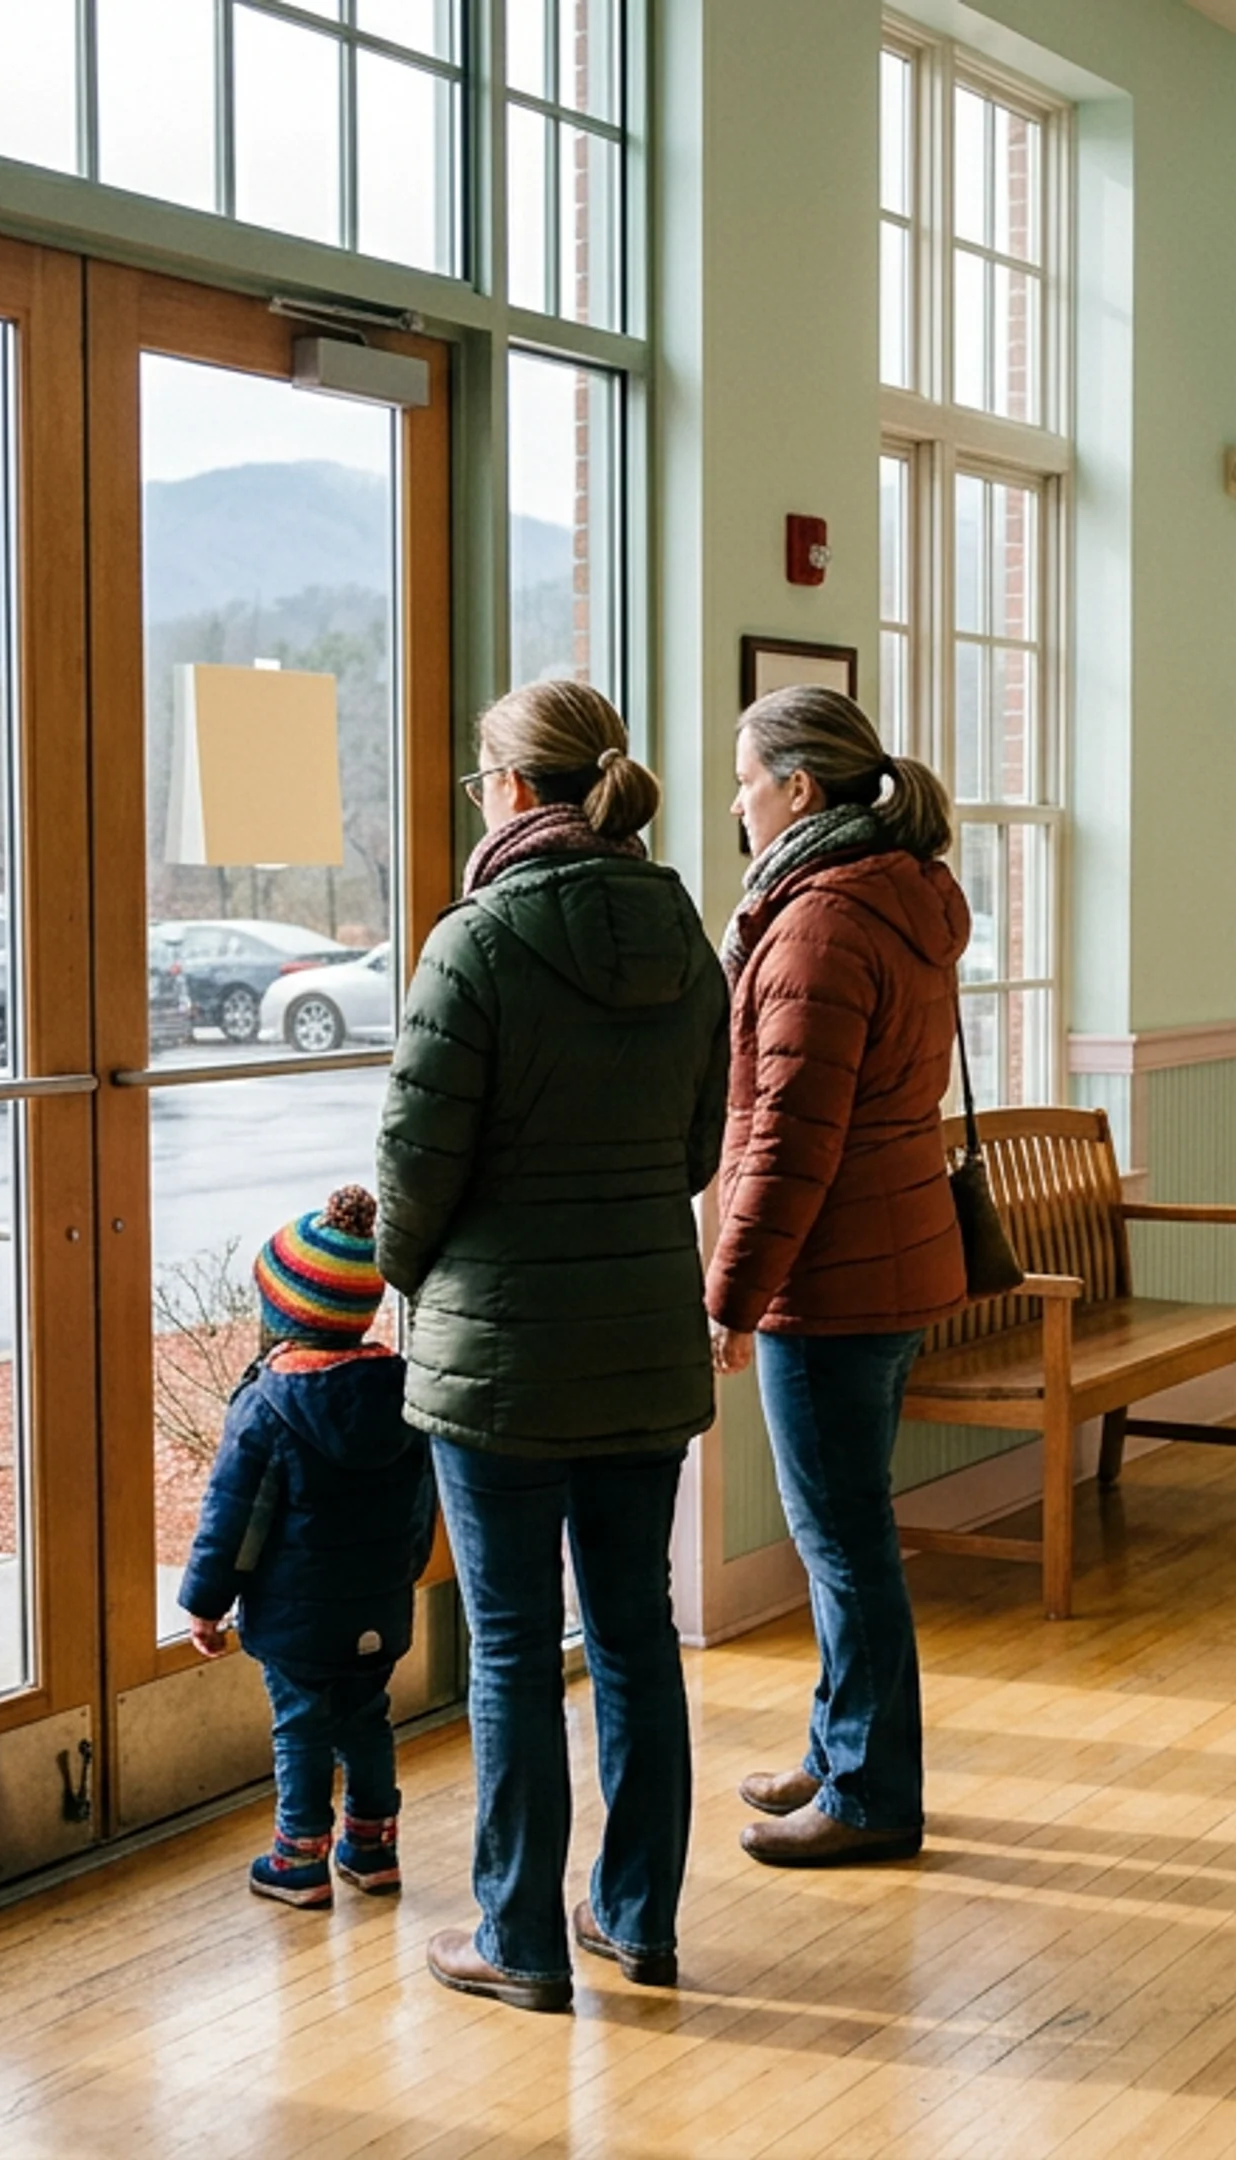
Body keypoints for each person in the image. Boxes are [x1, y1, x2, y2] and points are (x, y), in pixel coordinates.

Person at [377, 678, 728, 2013]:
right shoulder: (682, 932)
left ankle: (518, 1939)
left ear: (516, 789)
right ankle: (638, 1920)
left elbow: (415, 1165)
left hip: (504, 1355)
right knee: (635, 1632)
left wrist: (406, 1273)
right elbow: (696, 1148)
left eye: (484, 779)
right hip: (642, 1337)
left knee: (515, 1647)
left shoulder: (473, 943)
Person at [708, 684, 972, 1870]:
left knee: (843, 1542)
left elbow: (788, 1141)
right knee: (844, 1533)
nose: (738, 804)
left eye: (746, 781)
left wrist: (730, 1294)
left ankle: (870, 1795)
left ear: (799, 787)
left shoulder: (818, 923)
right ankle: (837, 1748)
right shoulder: (899, 892)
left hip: (833, 1275)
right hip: (891, 1251)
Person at [174, 1185, 434, 1908]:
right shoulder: (401, 1391)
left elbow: (232, 1517)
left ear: (282, 1313)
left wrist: (205, 1603)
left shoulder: (267, 1404)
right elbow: (422, 1504)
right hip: (378, 1602)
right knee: (368, 1717)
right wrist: (403, 1574)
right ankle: (373, 1849)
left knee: (301, 1727)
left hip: (296, 1616)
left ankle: (299, 1859)